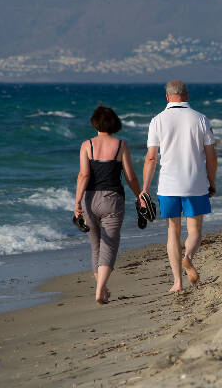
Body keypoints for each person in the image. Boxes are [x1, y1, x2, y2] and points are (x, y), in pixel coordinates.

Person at [141, 81, 217, 293]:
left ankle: (177, 283)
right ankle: (188, 257)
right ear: (186, 95)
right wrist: (212, 181)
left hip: (168, 185)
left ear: (167, 97)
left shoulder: (157, 120)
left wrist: (144, 188)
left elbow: (150, 158)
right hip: (195, 183)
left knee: (172, 232)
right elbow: (211, 156)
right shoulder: (200, 119)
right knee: (194, 230)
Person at [74, 105, 142, 305]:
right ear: (114, 123)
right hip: (112, 199)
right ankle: (100, 288)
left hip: (89, 200)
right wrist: (140, 196)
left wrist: (77, 202)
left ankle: (101, 287)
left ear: (95, 123)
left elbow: (84, 175)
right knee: (110, 245)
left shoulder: (87, 145)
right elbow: (130, 177)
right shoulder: (121, 145)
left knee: (95, 245)